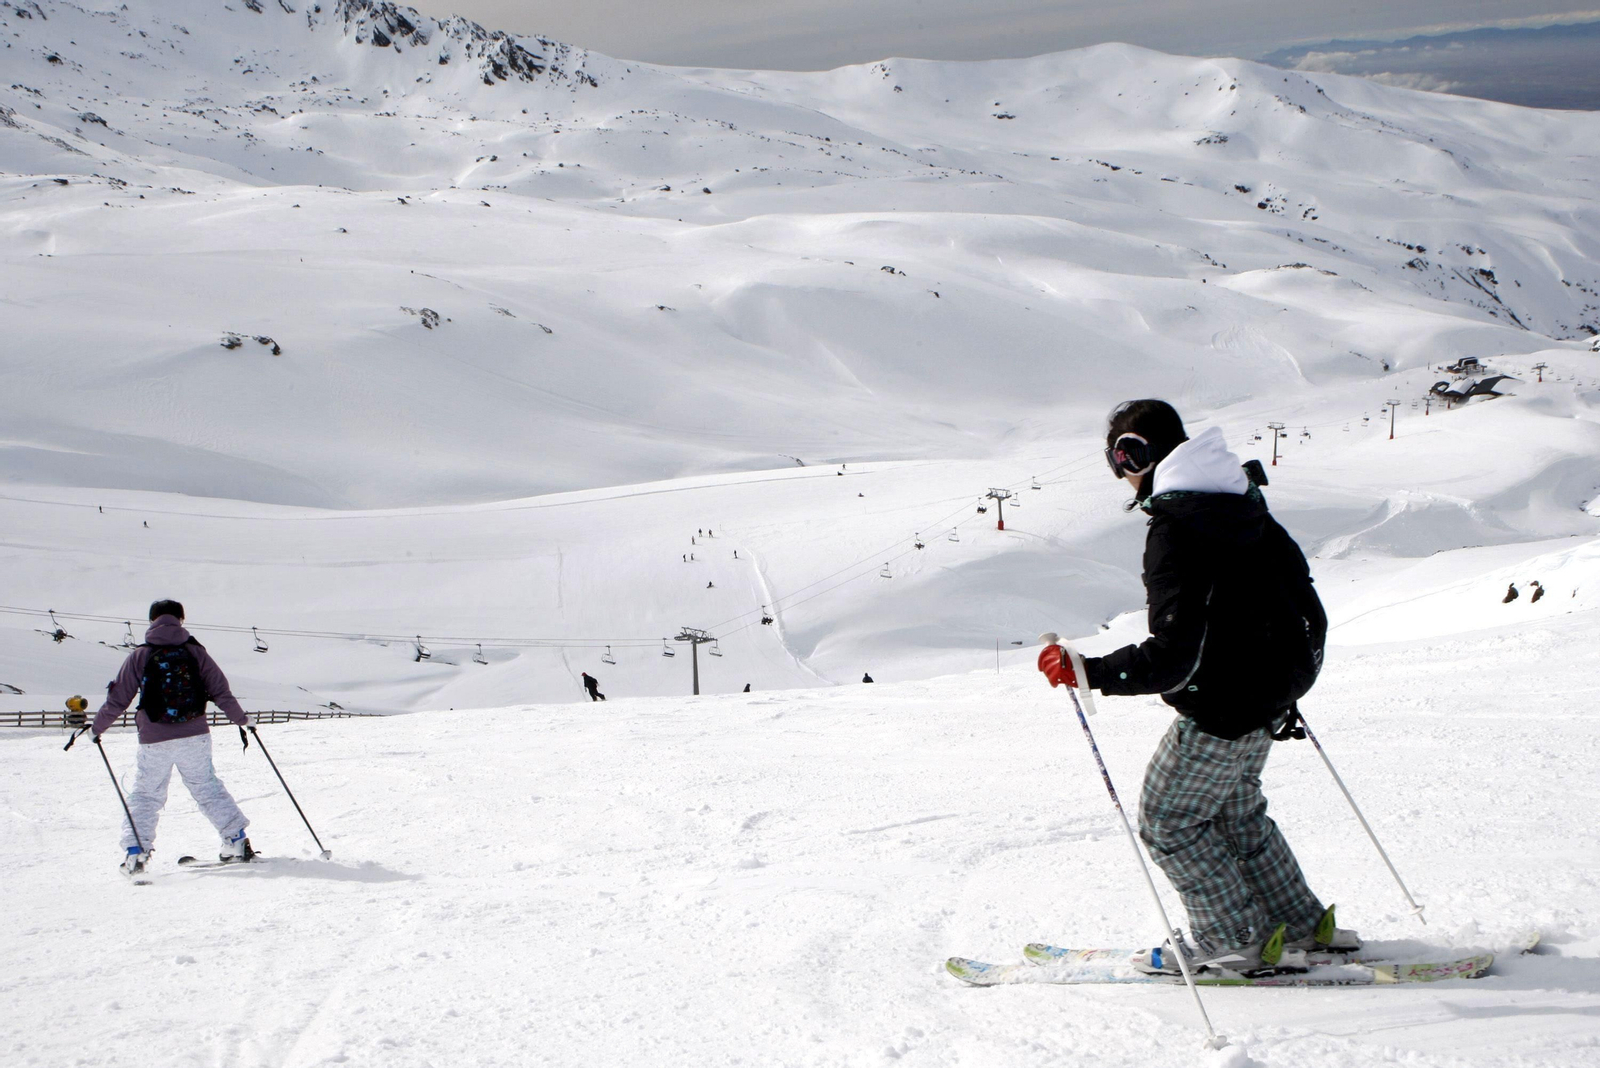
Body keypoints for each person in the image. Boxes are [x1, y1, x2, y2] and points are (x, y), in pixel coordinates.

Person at [1039, 400, 1357, 977]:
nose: (1123, 478)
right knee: (1237, 817)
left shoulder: (1177, 528)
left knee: (1168, 822)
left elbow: (1174, 655)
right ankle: (1300, 926)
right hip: (1268, 698)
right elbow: (1300, 603)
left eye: (1122, 462)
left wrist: (1091, 672)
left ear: (1136, 454)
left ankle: (1230, 940)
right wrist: (1285, 686)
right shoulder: (1241, 503)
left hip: (1223, 708)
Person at [90, 600, 253, 875]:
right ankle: (236, 841)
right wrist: (243, 720)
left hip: (153, 738)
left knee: (145, 795)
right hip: (195, 734)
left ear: (152, 620)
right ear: (181, 619)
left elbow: (118, 699)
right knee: (207, 787)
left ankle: (136, 854)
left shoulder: (140, 655)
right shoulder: (196, 651)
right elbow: (221, 692)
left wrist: (97, 729)